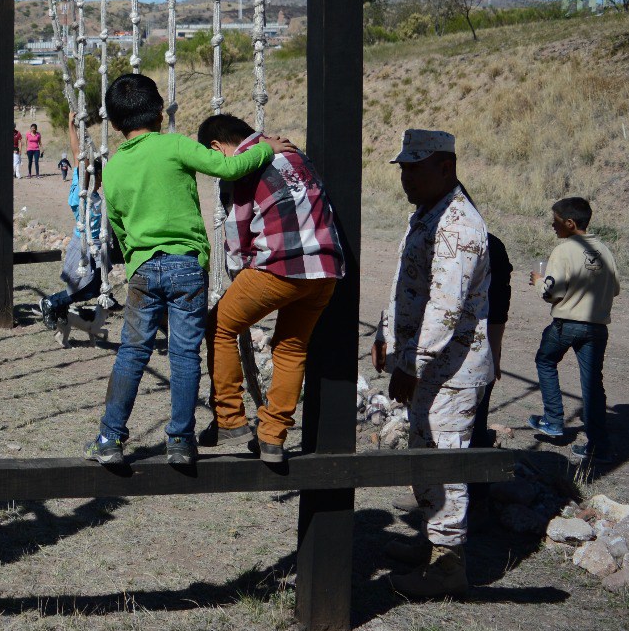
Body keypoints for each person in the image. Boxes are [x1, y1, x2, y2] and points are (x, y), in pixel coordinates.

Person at [85, 74, 289, 468]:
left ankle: (110, 438)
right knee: (183, 355)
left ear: (114, 124)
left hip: (144, 267)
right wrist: (264, 149)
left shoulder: (112, 169)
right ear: (161, 113)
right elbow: (228, 167)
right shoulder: (175, 146)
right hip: (186, 269)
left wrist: (136, 264)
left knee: (132, 352)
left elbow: (121, 229)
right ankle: (180, 441)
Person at [373, 129, 494, 599]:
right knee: (423, 454)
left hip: (452, 369)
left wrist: (412, 364)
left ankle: (449, 566)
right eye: (402, 168)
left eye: (414, 168)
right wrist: (386, 332)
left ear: (445, 166)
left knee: (444, 460)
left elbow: (445, 306)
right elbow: (408, 281)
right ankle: (431, 543)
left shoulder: (460, 224)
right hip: (428, 365)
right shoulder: (427, 213)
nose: (406, 178)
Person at [195, 114, 344, 464]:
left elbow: (238, 235)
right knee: (291, 349)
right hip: (325, 269)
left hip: (280, 266)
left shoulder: (243, 165)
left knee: (218, 327)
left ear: (216, 147)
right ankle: (273, 438)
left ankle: (230, 418)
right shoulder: (295, 154)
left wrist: (238, 275)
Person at [527, 196, 619, 464]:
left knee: (545, 360)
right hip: (597, 328)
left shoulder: (564, 251)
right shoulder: (604, 249)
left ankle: (553, 419)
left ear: (569, 223)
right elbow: (614, 288)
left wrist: (538, 282)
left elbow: (552, 293)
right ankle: (597, 445)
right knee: (592, 385)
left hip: (567, 323)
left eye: (555, 221)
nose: (552, 226)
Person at [39, 114, 110, 326]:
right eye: (100, 176)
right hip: (84, 246)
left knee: (95, 288)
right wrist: (72, 125)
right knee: (86, 287)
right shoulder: (80, 193)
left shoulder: (97, 197)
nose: (102, 180)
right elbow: (78, 154)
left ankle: (58, 304)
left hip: (97, 245)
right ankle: (53, 302)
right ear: (92, 176)